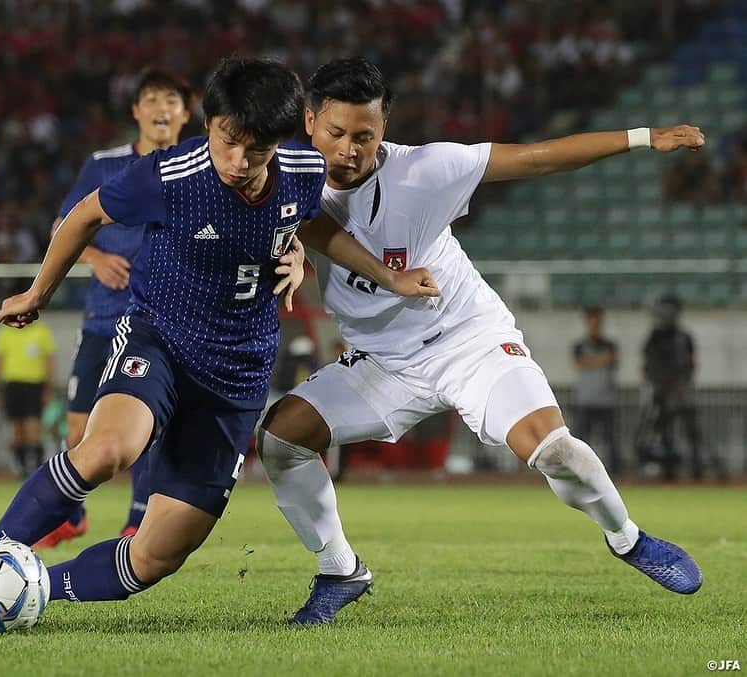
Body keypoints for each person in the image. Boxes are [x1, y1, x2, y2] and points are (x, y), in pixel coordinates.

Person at [0, 57, 438, 631]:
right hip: (160, 340)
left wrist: (378, 272)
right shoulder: (168, 176)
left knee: (156, 556)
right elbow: (83, 217)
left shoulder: (305, 169)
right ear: (210, 124)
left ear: (279, 141)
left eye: (254, 150)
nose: (236, 161)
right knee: (107, 449)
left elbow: (312, 222)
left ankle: (24, 590)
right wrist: (37, 293)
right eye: (227, 141)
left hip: (236, 379)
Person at [257, 57, 705, 626]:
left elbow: (536, 158)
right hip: (381, 363)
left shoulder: (427, 170)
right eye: (337, 134)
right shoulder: (286, 180)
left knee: (557, 451)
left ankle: (628, 538)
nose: (349, 150)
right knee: (281, 440)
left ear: (384, 130)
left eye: (364, 137)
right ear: (310, 120)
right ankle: (340, 569)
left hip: (469, 341)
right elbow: (289, 228)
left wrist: (643, 137)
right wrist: (292, 254)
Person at [34, 68, 195, 550]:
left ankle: (137, 520)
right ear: (136, 111)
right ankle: (72, 514)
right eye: (151, 99)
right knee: (81, 427)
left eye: (172, 99)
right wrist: (96, 257)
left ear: (186, 113)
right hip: (103, 317)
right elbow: (65, 227)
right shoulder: (103, 166)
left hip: (160, 321)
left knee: (144, 421)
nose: (161, 108)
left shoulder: (199, 166)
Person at [636, 295, 701, 480]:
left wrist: (680, 385)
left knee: (691, 432)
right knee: (661, 433)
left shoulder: (684, 337)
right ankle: (666, 470)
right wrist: (657, 387)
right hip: (659, 393)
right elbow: (648, 365)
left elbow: (691, 364)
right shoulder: (654, 337)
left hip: (681, 391)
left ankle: (696, 469)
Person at [0, 319, 56, 477]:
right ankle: (22, 468)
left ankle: (38, 469)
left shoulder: (42, 332)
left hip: (34, 385)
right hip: (12, 385)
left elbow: (49, 362)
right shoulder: (6, 333)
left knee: (33, 428)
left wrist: (48, 389)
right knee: (17, 432)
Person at [572, 305, 620, 474]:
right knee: (581, 440)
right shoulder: (579, 345)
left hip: (606, 400)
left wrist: (591, 361)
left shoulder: (610, 345)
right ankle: (579, 472)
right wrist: (601, 360)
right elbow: (579, 363)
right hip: (586, 400)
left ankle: (614, 474)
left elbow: (610, 361)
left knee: (610, 441)